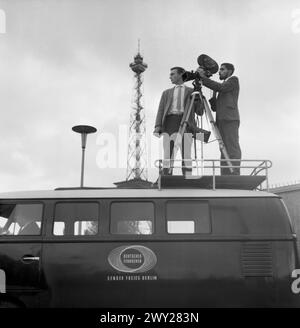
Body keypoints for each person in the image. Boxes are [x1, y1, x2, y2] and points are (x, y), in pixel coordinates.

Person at [153, 67, 204, 176]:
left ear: (181, 74)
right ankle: (166, 176)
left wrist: (199, 93)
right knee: (168, 151)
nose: (170, 76)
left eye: (172, 74)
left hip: (186, 122)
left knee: (186, 152)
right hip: (170, 122)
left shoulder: (191, 91)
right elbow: (161, 109)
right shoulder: (166, 93)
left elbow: (200, 112)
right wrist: (158, 126)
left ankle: (187, 176)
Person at [197, 63, 241, 175]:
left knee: (231, 146)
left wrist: (203, 78)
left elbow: (221, 87)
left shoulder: (233, 80)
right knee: (223, 148)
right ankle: (225, 173)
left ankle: (234, 172)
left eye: (222, 69)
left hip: (230, 119)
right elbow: (215, 108)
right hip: (222, 119)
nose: (219, 72)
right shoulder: (223, 85)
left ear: (230, 71)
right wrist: (213, 98)